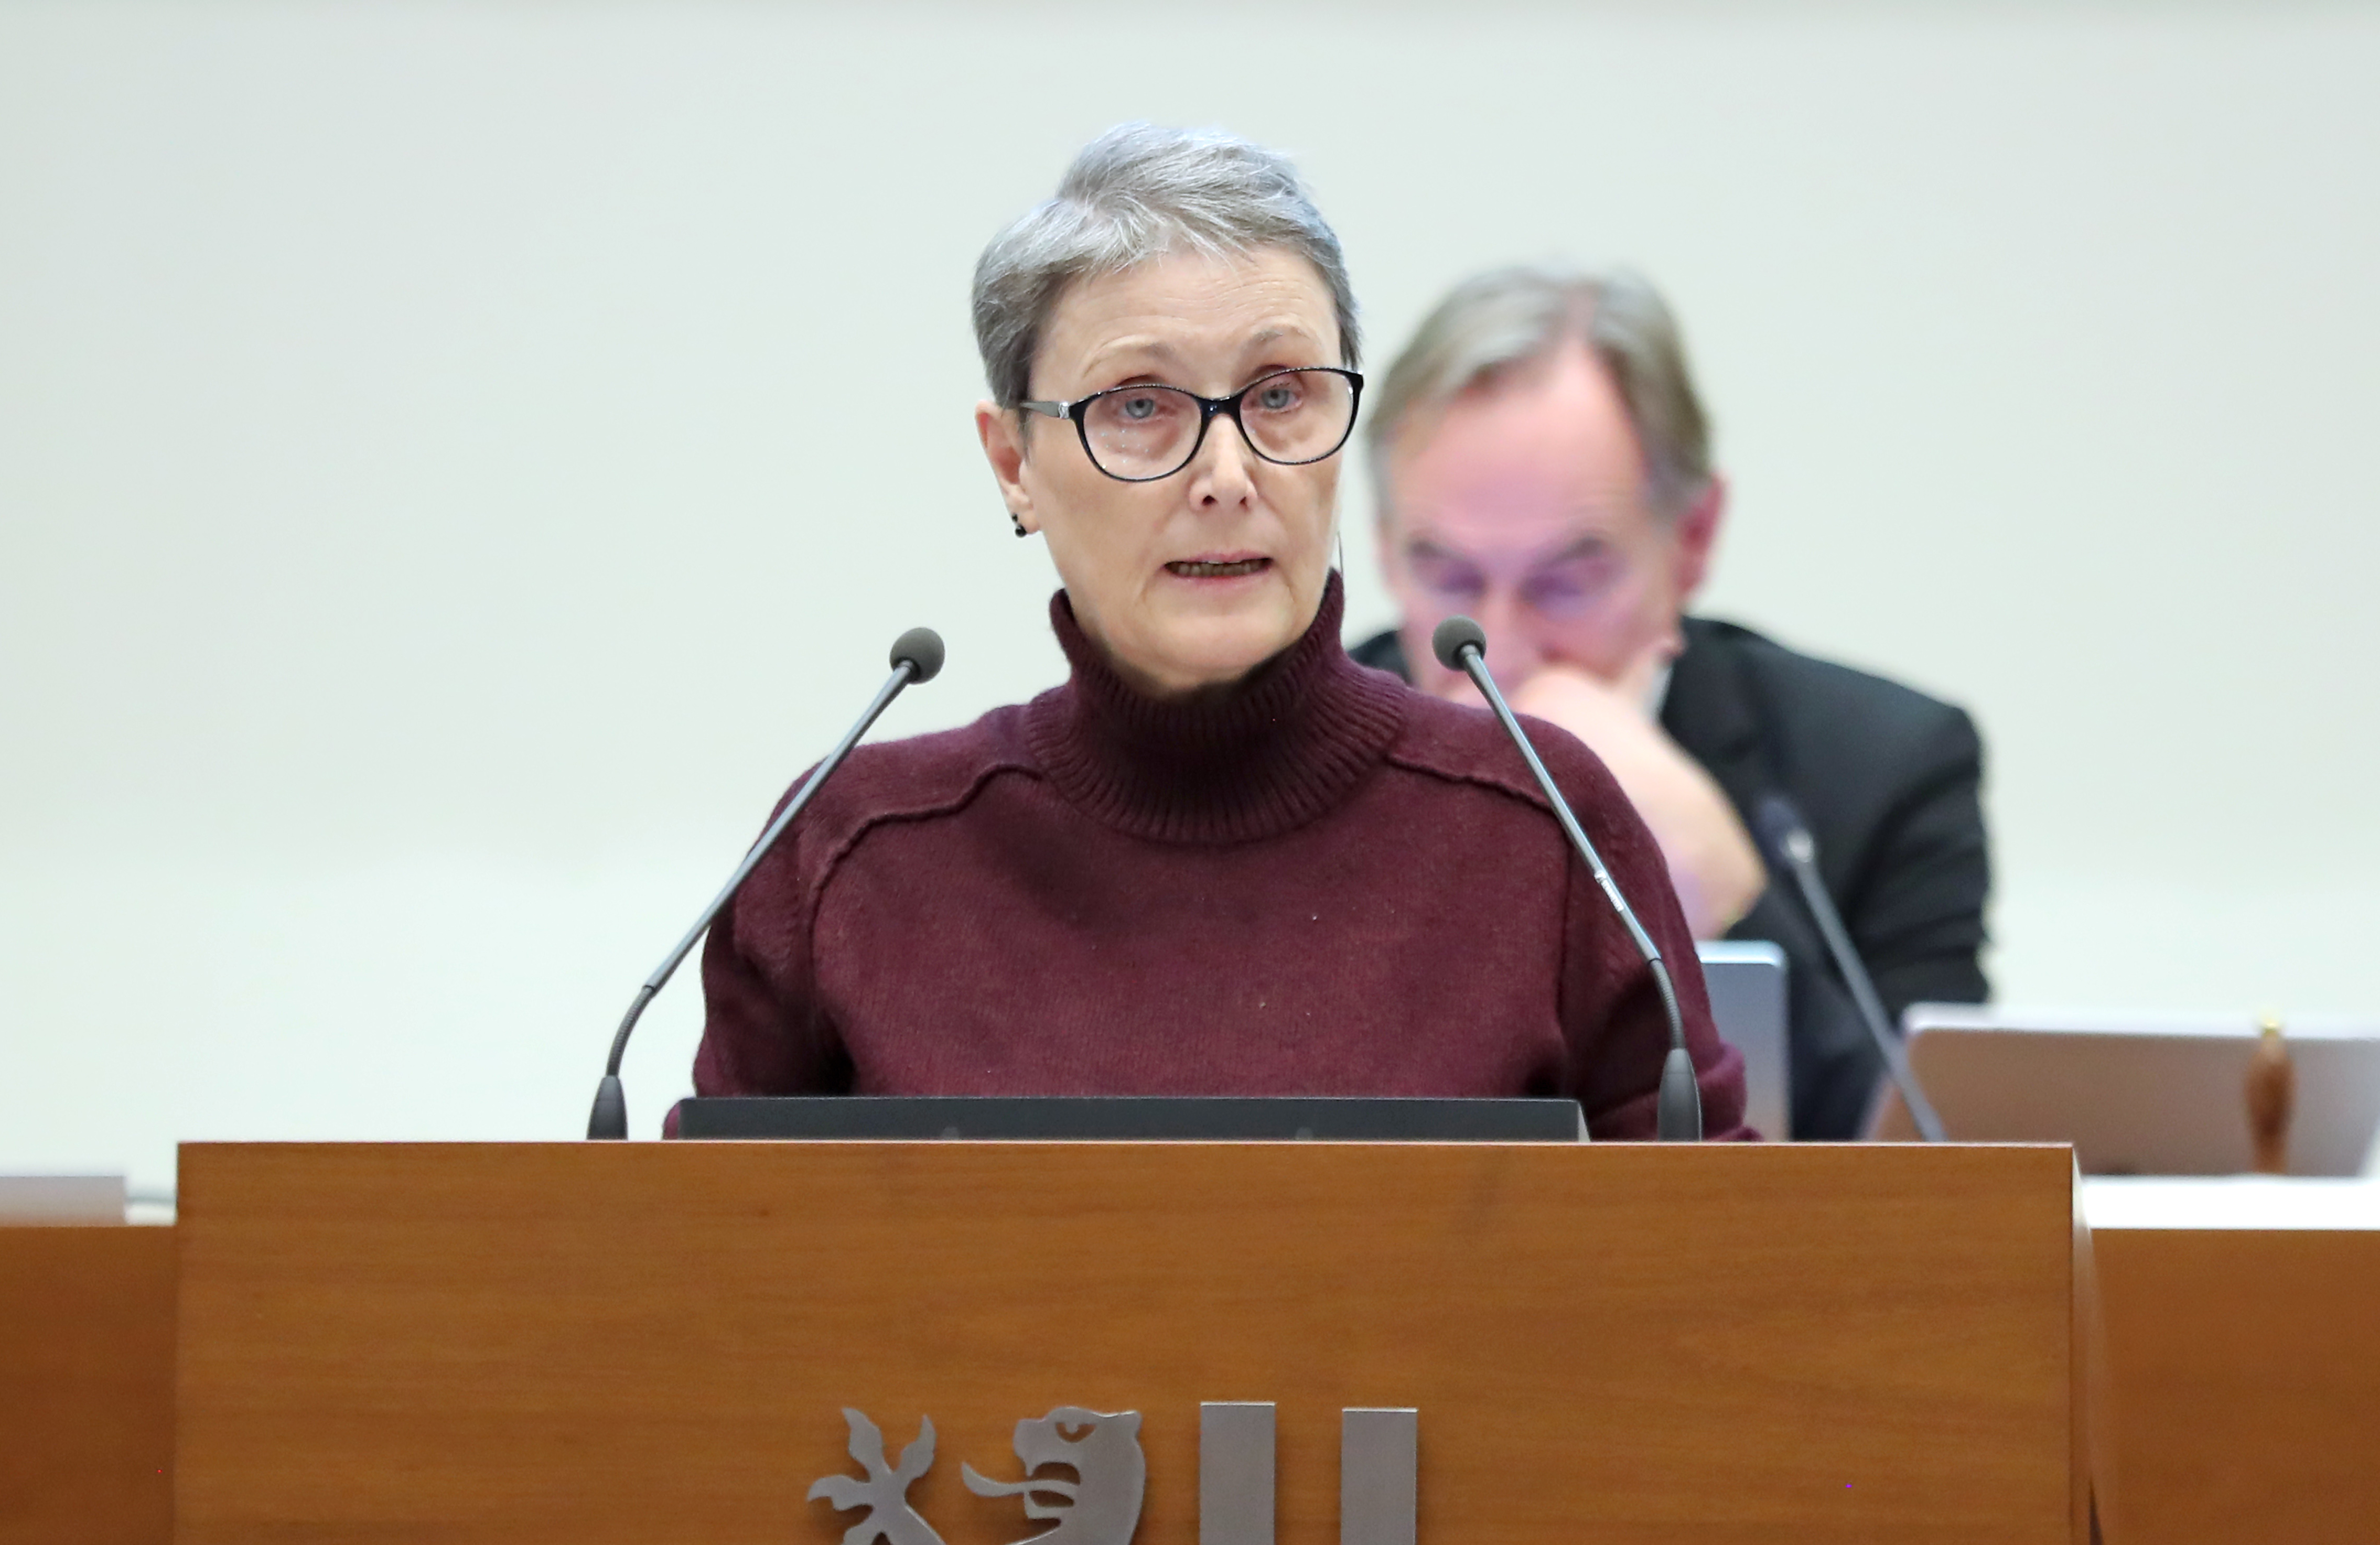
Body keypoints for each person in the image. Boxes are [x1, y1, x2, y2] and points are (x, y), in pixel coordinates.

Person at [691, 128, 1746, 1140]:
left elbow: (1715, 1272)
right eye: (1141, 406)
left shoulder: (1536, 830)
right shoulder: (855, 853)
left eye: (1280, 394)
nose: (1229, 479)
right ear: (1014, 463)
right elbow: (705, 1280)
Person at [1349, 266, 1992, 1140]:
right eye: (1448, 575)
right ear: (1385, 551)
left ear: (1692, 540)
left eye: (1567, 582)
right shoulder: (1293, 757)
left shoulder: (1884, 767)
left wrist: (1727, 895)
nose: (1501, 646)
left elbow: (1949, 1174)